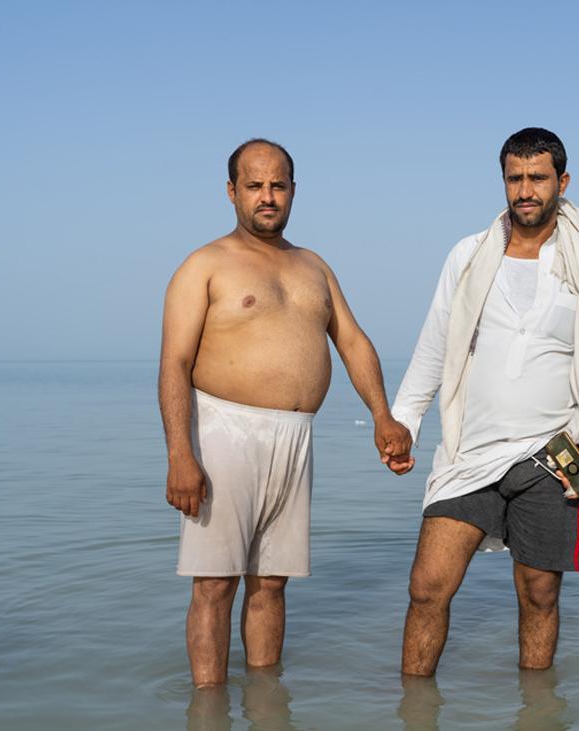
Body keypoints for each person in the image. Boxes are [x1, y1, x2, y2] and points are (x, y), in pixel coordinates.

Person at [158, 138, 411, 686]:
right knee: (215, 583)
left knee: (272, 582)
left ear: (294, 190)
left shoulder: (313, 266)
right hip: (223, 432)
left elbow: (352, 341)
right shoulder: (204, 265)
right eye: (254, 186)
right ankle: (208, 710)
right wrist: (180, 453)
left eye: (278, 185)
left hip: (296, 437)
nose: (267, 197)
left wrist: (383, 416)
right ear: (232, 192)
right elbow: (174, 364)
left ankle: (266, 705)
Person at [389, 128, 579, 676]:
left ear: (561, 182)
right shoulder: (468, 256)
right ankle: (414, 710)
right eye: (515, 178)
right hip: (470, 450)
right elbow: (434, 346)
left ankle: (536, 710)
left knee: (539, 595)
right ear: (503, 181)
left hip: (553, 453)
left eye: (537, 178)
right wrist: (405, 421)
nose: (526, 189)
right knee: (427, 587)